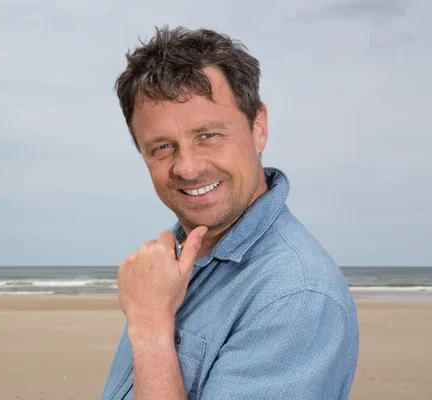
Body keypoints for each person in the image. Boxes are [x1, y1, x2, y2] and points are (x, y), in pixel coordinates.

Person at [101, 25, 359, 400]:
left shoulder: (297, 296)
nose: (187, 168)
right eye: (161, 147)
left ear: (258, 128)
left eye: (208, 135)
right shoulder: (168, 266)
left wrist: (152, 330)